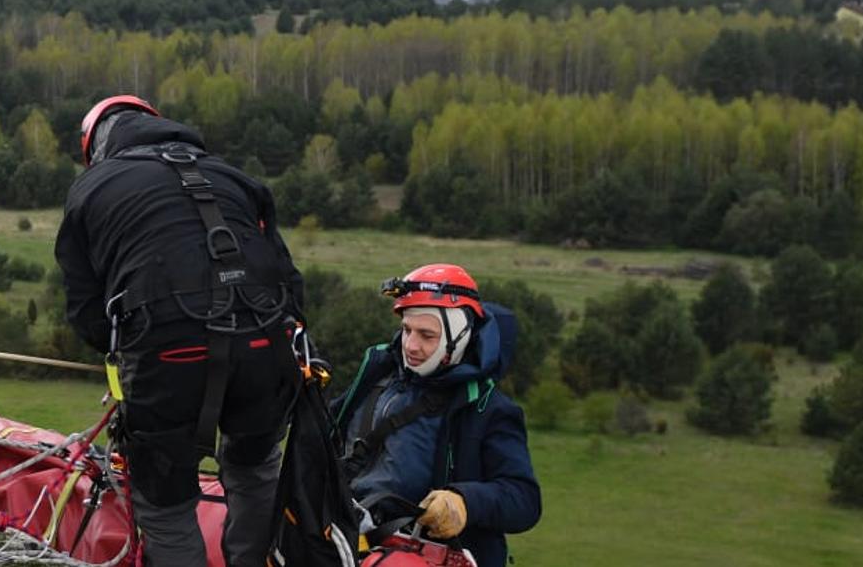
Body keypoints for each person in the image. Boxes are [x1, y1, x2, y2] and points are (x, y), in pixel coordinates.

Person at [55, 95, 303, 566]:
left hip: (166, 345)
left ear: (96, 147)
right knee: (255, 469)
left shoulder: (91, 188)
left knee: (166, 503)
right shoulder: (234, 178)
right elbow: (287, 280)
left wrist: (127, 360)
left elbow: (86, 309)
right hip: (262, 334)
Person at [332, 264, 541, 567]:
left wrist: (464, 501)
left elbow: (525, 500)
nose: (411, 346)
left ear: (458, 338)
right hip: (343, 535)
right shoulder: (378, 376)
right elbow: (324, 433)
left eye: (427, 335)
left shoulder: (489, 409)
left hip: (420, 552)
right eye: (406, 330)